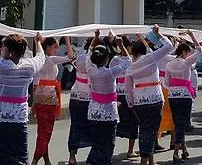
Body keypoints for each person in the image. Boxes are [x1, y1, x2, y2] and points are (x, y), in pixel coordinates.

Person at [0, 20, 45, 165]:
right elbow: (41, 58)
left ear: (11, 52)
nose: (1, 49)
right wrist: (38, 42)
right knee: (18, 157)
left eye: (4, 47)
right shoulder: (29, 66)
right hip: (18, 118)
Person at [125, 27, 172, 165]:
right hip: (154, 98)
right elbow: (169, 46)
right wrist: (159, 35)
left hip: (139, 100)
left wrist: (131, 104)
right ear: (144, 51)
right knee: (151, 130)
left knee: (145, 129)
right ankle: (145, 161)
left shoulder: (131, 66)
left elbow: (128, 90)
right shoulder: (150, 58)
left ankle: (150, 160)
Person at [85, 35, 131, 165]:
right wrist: (121, 45)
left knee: (96, 142)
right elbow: (128, 61)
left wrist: (95, 38)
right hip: (108, 113)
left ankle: (92, 161)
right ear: (106, 59)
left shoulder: (90, 70)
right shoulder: (110, 73)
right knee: (108, 144)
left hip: (93, 111)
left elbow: (89, 54)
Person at [32, 36, 74, 165]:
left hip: (39, 96)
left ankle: (46, 159)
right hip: (49, 98)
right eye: (55, 47)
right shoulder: (51, 59)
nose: (56, 49)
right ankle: (35, 160)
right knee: (46, 131)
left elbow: (34, 83)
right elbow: (71, 57)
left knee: (42, 130)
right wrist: (67, 41)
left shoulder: (38, 60)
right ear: (48, 47)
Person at [165, 32, 202, 162]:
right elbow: (200, 50)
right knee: (182, 123)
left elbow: (166, 83)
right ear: (184, 52)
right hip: (184, 95)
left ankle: (184, 149)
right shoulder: (186, 63)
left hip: (173, 94)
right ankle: (176, 153)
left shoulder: (169, 64)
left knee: (178, 123)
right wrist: (192, 36)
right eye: (188, 52)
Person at [67, 37, 96, 165]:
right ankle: (93, 155)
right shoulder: (94, 60)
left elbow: (70, 55)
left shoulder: (79, 58)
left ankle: (72, 156)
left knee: (75, 126)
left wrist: (67, 40)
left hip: (76, 96)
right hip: (89, 97)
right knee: (94, 126)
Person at [115, 46, 139, 160]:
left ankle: (111, 148)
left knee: (116, 122)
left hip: (117, 92)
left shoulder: (115, 59)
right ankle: (130, 150)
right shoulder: (132, 61)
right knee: (133, 122)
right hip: (128, 92)